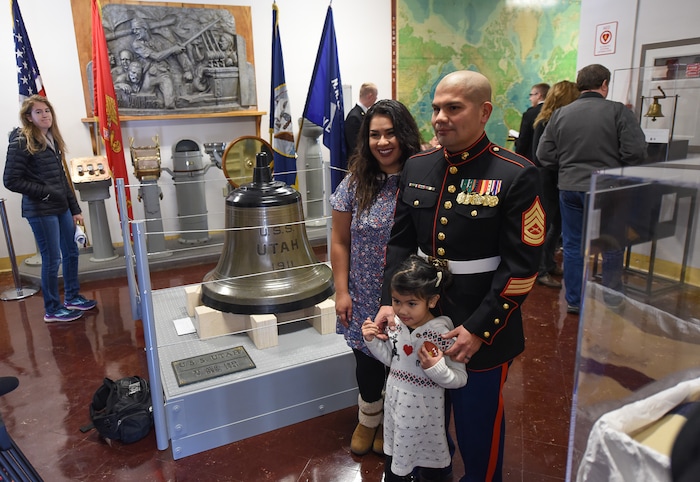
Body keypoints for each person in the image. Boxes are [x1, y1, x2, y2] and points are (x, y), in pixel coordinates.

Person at [375, 70, 543, 482]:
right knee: (427, 422)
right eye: (436, 108)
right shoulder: (418, 166)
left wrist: (480, 329)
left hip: (479, 325)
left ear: (484, 112)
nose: (440, 117)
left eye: (453, 107)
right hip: (420, 321)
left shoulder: (515, 173)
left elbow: (522, 266)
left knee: (477, 428)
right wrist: (388, 302)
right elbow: (399, 244)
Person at [330, 99, 423, 456]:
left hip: (408, 297)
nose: (383, 142)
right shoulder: (355, 182)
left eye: (390, 133)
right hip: (363, 292)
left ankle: (392, 422)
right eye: (374, 134)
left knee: (404, 361)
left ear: (404, 134)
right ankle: (368, 417)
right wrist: (341, 291)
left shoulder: (422, 178)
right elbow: (339, 241)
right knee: (367, 360)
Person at [536, 64, 647, 314]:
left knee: (573, 246)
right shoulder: (617, 111)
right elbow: (636, 152)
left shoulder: (560, 114)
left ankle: (574, 300)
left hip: (570, 187)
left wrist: (566, 165)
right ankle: (611, 297)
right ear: (605, 84)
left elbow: (544, 154)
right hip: (608, 188)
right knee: (611, 243)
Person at [362, 255, 467, 482]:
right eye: (396, 301)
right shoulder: (396, 325)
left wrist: (436, 368)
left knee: (430, 468)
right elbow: (394, 360)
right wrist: (372, 341)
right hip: (395, 410)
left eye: (411, 303)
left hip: (426, 418)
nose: (402, 310)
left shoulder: (442, 333)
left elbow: (459, 378)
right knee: (396, 465)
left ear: (431, 300)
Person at [3, 95, 97, 323]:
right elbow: (11, 180)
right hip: (40, 210)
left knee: (72, 251)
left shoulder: (51, 139)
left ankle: (72, 297)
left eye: (47, 111)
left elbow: (62, 178)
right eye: (39, 112)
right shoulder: (21, 141)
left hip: (61, 207)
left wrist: (74, 209)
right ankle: (52, 309)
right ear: (28, 117)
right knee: (52, 258)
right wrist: (44, 192)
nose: (45, 115)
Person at [531, 80, 580, 289]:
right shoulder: (547, 121)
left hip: (554, 178)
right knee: (547, 224)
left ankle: (548, 263)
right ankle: (540, 268)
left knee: (556, 224)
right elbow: (541, 154)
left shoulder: (551, 120)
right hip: (546, 179)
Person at [515, 82, 549, 161]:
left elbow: (523, 140)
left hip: (530, 160)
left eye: (531, 95)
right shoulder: (555, 112)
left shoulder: (530, 114)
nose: (530, 98)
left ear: (538, 95)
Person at [344, 82, 378, 156]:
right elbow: (355, 146)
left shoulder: (362, 113)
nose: (376, 99)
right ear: (370, 96)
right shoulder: (354, 117)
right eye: (376, 96)